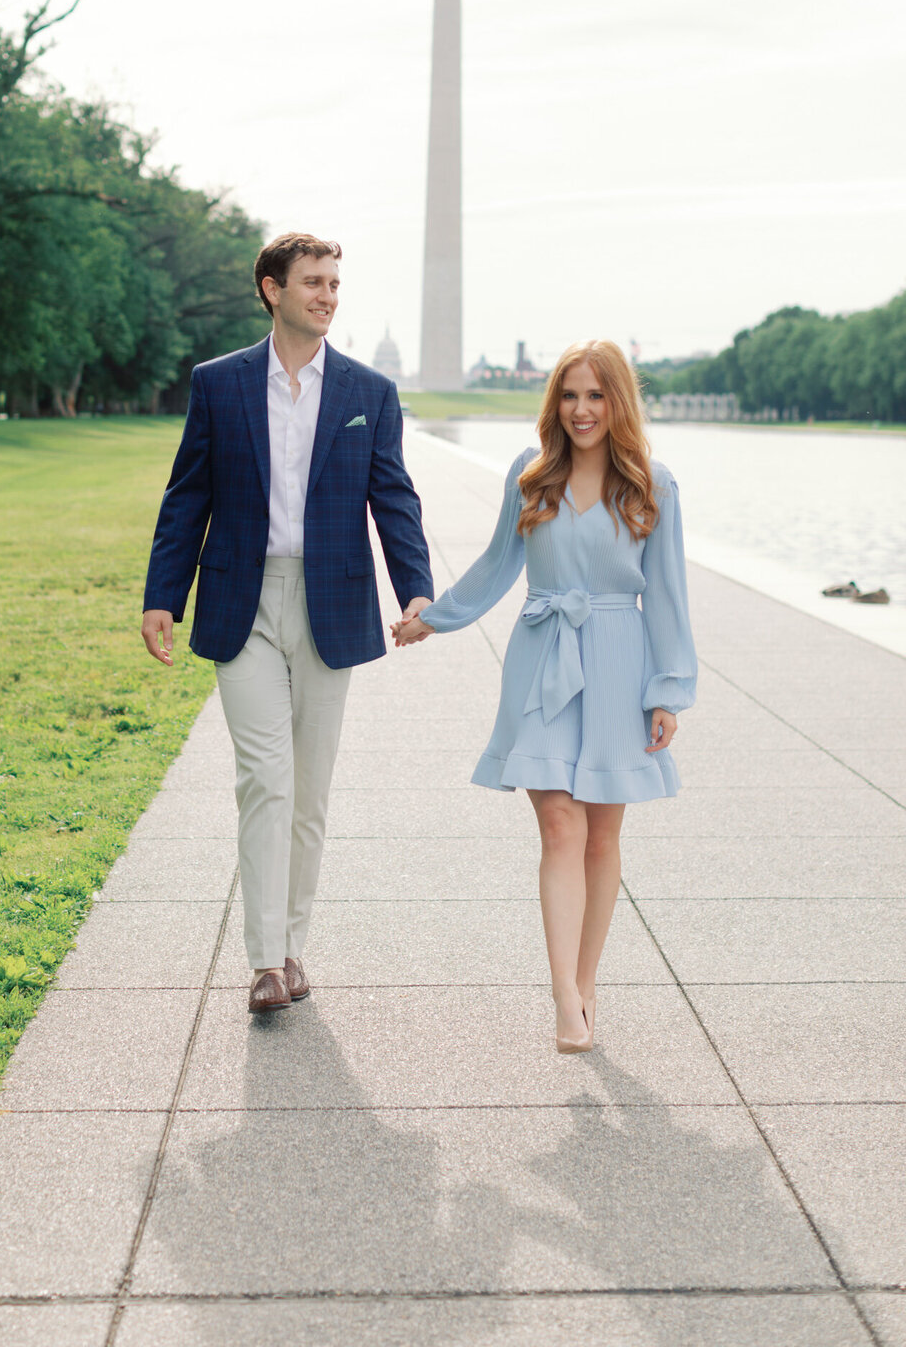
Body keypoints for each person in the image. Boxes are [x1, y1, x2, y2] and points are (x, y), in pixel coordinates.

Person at [141, 233, 434, 1014]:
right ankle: (266, 962)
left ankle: (293, 946)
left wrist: (416, 591)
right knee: (264, 780)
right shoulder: (220, 384)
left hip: (330, 606)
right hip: (243, 601)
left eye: (335, 283)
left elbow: (393, 498)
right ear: (272, 289)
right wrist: (162, 594)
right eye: (313, 282)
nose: (328, 296)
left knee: (309, 791)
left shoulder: (368, 394)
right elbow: (187, 496)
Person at [394, 339, 696, 1053]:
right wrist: (433, 619)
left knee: (601, 835)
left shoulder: (654, 483)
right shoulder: (530, 477)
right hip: (542, 658)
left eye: (596, 395)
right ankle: (564, 995)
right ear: (553, 403)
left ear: (618, 402)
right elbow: (498, 564)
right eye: (569, 395)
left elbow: (671, 597)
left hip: (623, 659)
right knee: (558, 824)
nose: (582, 409)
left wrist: (668, 692)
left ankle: (587, 983)